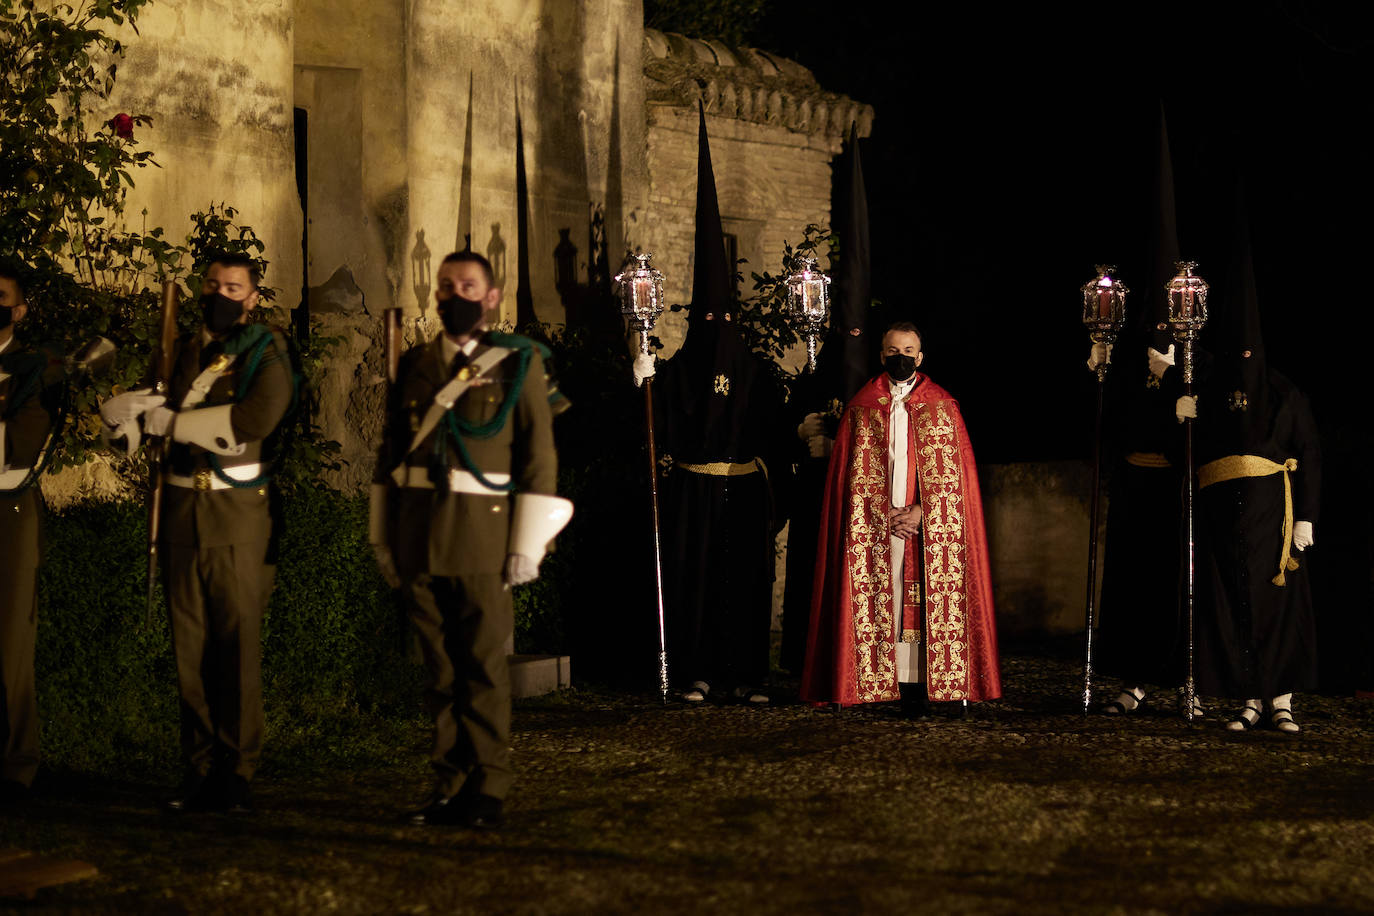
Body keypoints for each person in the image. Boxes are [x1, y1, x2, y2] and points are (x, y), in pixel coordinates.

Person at [371, 250, 566, 829]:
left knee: (482, 667)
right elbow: (389, 454)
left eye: (468, 285)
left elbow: (538, 457)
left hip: (484, 539)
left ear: (492, 296)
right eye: (446, 284)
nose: (455, 293)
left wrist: (527, 544)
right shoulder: (416, 363)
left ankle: (489, 785)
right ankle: (448, 784)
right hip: (420, 535)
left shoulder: (516, 365)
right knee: (440, 672)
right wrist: (383, 538)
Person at [100, 252, 293, 813]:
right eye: (212, 284)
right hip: (182, 509)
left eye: (234, 287)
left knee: (234, 648)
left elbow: (258, 418)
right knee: (190, 651)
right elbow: (144, 436)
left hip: (235, 513)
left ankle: (237, 769)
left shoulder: (265, 350)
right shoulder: (179, 351)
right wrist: (119, 419)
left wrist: (178, 422)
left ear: (253, 297)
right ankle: (198, 766)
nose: (220, 294)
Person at [632, 106, 789, 705]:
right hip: (694, 496)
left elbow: (776, 434)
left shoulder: (755, 372)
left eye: (725, 318)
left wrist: (780, 484)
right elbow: (655, 429)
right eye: (707, 319)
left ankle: (748, 674)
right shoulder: (678, 371)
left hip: (744, 493)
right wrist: (643, 377)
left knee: (744, 584)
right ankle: (697, 671)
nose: (716, 327)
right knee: (695, 584)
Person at [801, 322, 1001, 711]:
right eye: (893, 351)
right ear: (881, 355)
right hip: (876, 525)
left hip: (925, 525)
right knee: (881, 596)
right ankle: (875, 684)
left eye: (908, 351)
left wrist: (921, 511)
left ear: (920, 357)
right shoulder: (861, 406)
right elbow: (850, 478)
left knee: (928, 597)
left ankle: (928, 684)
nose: (900, 358)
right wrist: (881, 513)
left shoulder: (943, 405)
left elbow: (955, 478)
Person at [1177, 209, 1318, 733]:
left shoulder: (1285, 392)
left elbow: (1309, 454)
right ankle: (1247, 700)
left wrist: (1307, 516)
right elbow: (1194, 452)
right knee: (1231, 606)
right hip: (1224, 519)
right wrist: (1184, 414)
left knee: (1273, 606)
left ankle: (1279, 700)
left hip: (1274, 523)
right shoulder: (1209, 389)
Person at [0, 264, 61, 803]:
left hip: (8, 512)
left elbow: (20, 440)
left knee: (10, 644)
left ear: (18, 311)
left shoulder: (34, 369)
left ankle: (16, 765)